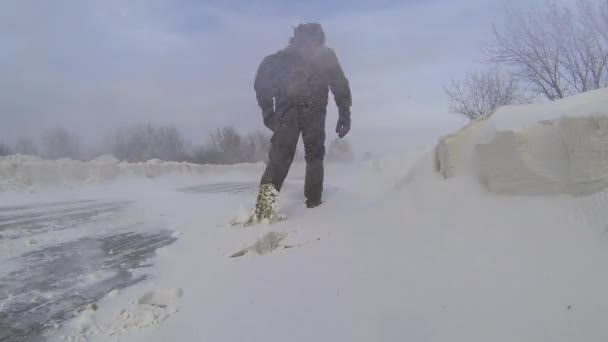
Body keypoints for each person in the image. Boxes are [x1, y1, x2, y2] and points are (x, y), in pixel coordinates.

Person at [253, 23, 352, 208]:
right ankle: (271, 207)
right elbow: (262, 83)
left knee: (302, 158)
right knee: (296, 158)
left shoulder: (319, 56)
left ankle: (277, 207)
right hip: (296, 113)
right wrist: (268, 113)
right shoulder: (282, 59)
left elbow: (339, 84)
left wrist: (344, 112)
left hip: (303, 113)